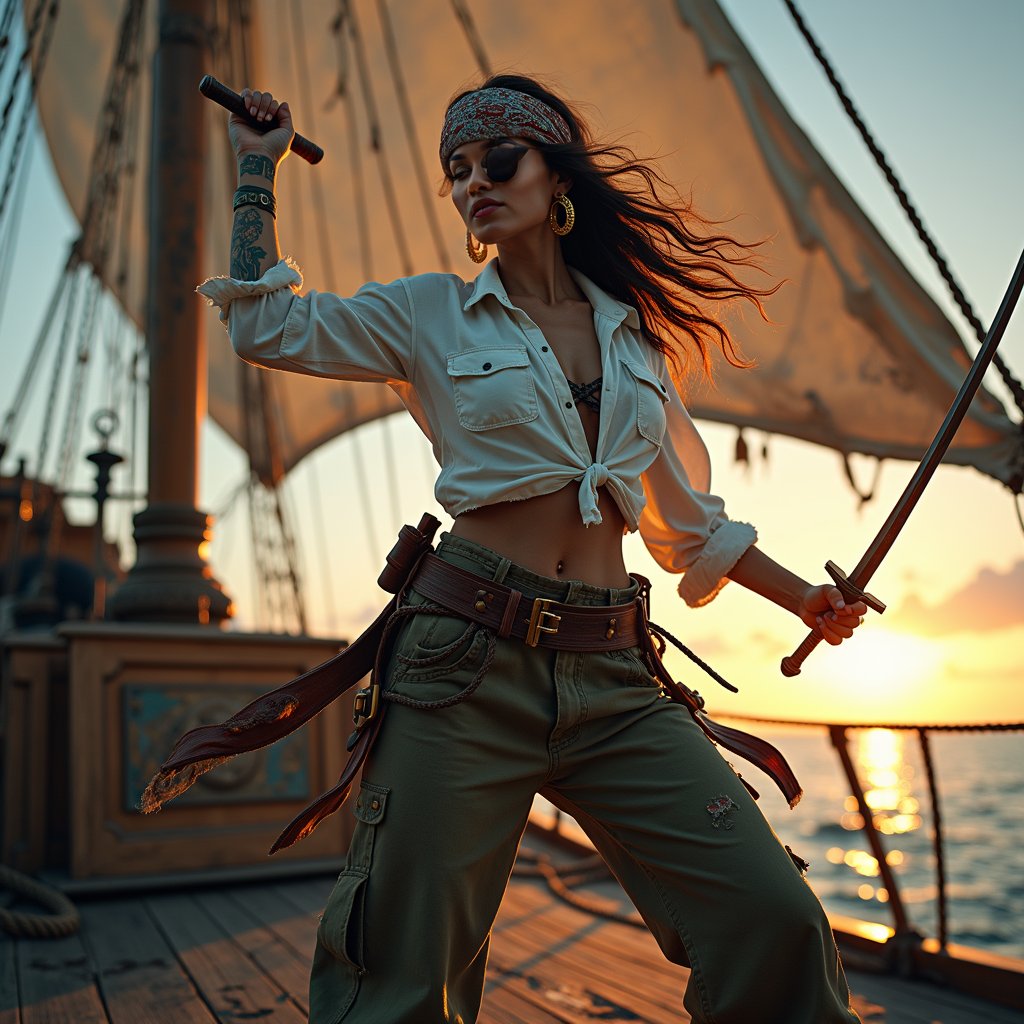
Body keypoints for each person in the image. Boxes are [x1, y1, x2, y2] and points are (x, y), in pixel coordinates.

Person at [198, 73, 866, 1024]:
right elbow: (264, 325)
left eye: (499, 160)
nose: (475, 181)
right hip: (462, 667)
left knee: (777, 919)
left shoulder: (636, 343)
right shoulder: (427, 313)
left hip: (616, 680)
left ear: (560, 179)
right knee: (398, 974)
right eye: (457, 170)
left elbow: (691, 529)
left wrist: (807, 599)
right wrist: (256, 172)